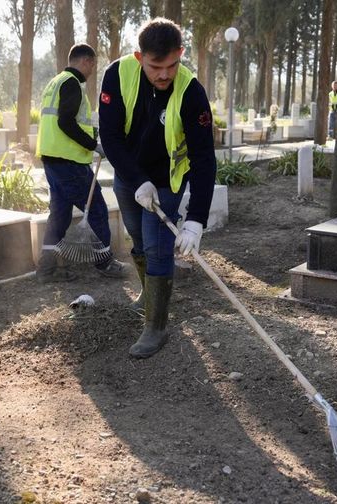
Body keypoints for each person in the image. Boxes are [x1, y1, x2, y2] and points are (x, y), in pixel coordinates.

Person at [99, 18, 217, 359]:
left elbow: (204, 158)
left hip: (168, 178)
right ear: (140, 58)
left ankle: (156, 325)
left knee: (157, 245)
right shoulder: (117, 76)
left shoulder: (191, 91)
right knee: (136, 234)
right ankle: (149, 292)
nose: (165, 74)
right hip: (129, 173)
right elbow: (110, 137)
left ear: (181, 54)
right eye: (155, 67)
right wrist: (138, 181)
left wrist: (196, 220)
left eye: (172, 65)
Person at [35, 43, 127, 282]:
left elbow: (64, 120)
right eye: (92, 65)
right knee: (96, 207)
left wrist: (93, 139)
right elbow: (66, 122)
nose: (91, 71)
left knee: (60, 214)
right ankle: (104, 263)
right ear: (86, 61)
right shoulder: (72, 84)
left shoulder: (55, 82)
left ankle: (46, 270)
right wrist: (91, 144)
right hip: (69, 162)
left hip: (53, 160)